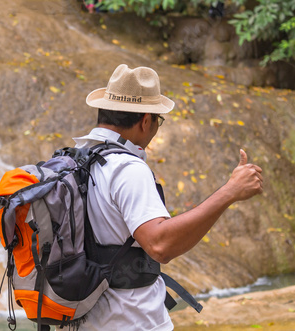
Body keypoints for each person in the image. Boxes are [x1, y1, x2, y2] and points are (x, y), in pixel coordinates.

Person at [73, 64, 264, 330]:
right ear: (146, 121)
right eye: (158, 121)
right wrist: (229, 192)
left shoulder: (76, 159)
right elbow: (160, 245)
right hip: (131, 322)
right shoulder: (127, 168)